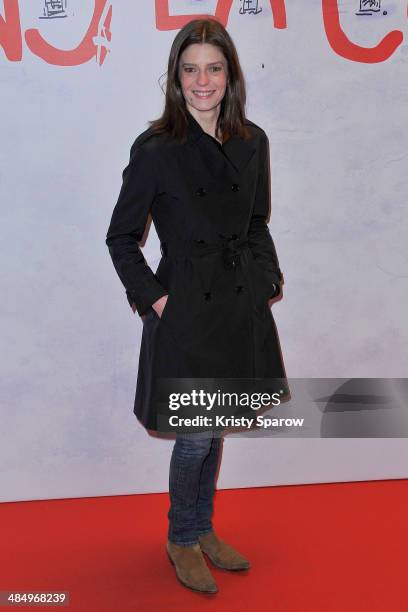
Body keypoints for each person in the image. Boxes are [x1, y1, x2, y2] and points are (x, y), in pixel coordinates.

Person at [105, 18, 287, 594]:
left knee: (217, 428)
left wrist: (265, 281)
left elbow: (257, 221)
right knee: (196, 435)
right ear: (176, 78)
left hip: (238, 304)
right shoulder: (157, 149)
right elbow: (120, 236)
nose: (201, 81)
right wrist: (157, 300)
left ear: (229, 75)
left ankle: (202, 528)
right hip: (184, 306)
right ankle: (182, 537)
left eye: (213, 68)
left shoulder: (252, 140)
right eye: (190, 70)